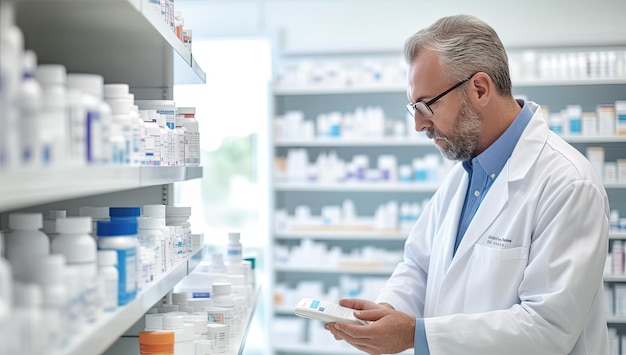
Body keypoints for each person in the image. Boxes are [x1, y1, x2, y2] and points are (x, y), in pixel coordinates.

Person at [324, 14, 610, 355]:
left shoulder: (568, 184)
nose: (418, 124)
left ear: (479, 89)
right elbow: (418, 265)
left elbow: (547, 328)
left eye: (426, 105)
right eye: (413, 107)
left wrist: (417, 336)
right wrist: (388, 311)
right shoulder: (464, 175)